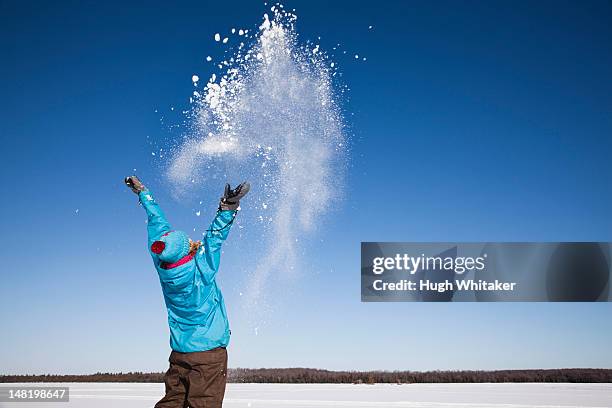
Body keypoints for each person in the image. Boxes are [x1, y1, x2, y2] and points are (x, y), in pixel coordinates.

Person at [125, 175, 250, 408]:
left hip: (180, 353)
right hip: (208, 355)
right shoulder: (201, 269)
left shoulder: (162, 266)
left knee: (172, 402)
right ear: (188, 251)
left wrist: (145, 194)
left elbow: (157, 224)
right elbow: (214, 238)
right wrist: (228, 207)